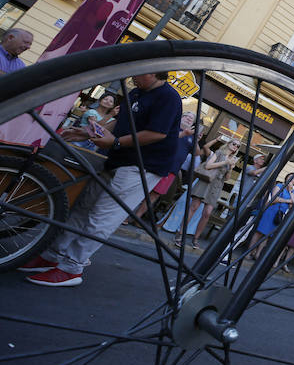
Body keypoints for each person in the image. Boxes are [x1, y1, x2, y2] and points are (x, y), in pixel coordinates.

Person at [20, 73, 181, 286]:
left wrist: (114, 143)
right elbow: (119, 122)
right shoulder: (136, 92)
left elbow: (156, 134)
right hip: (118, 158)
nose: (132, 76)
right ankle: (52, 255)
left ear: (152, 72)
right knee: (82, 206)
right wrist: (88, 132)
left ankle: (71, 267)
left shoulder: (168, 97)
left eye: (138, 72)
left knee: (104, 215)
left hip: (144, 165)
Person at [175, 138, 239, 249]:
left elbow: (227, 179)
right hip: (206, 182)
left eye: (238, 146)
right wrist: (225, 162)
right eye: (234, 144)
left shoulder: (232, 159)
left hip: (217, 185)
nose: (235, 147)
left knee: (207, 213)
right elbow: (208, 166)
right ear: (228, 144)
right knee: (193, 208)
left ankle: (196, 238)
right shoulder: (219, 153)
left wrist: (230, 168)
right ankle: (180, 234)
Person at [249, 175, 294, 260]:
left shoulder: (293, 191)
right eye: (290, 177)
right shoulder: (279, 186)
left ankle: (258, 254)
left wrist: (290, 191)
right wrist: (287, 201)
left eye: (293, 178)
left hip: (280, 214)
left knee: (267, 235)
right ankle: (249, 252)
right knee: (260, 232)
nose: (291, 179)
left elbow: (293, 204)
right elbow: (274, 199)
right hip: (271, 211)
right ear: (286, 177)